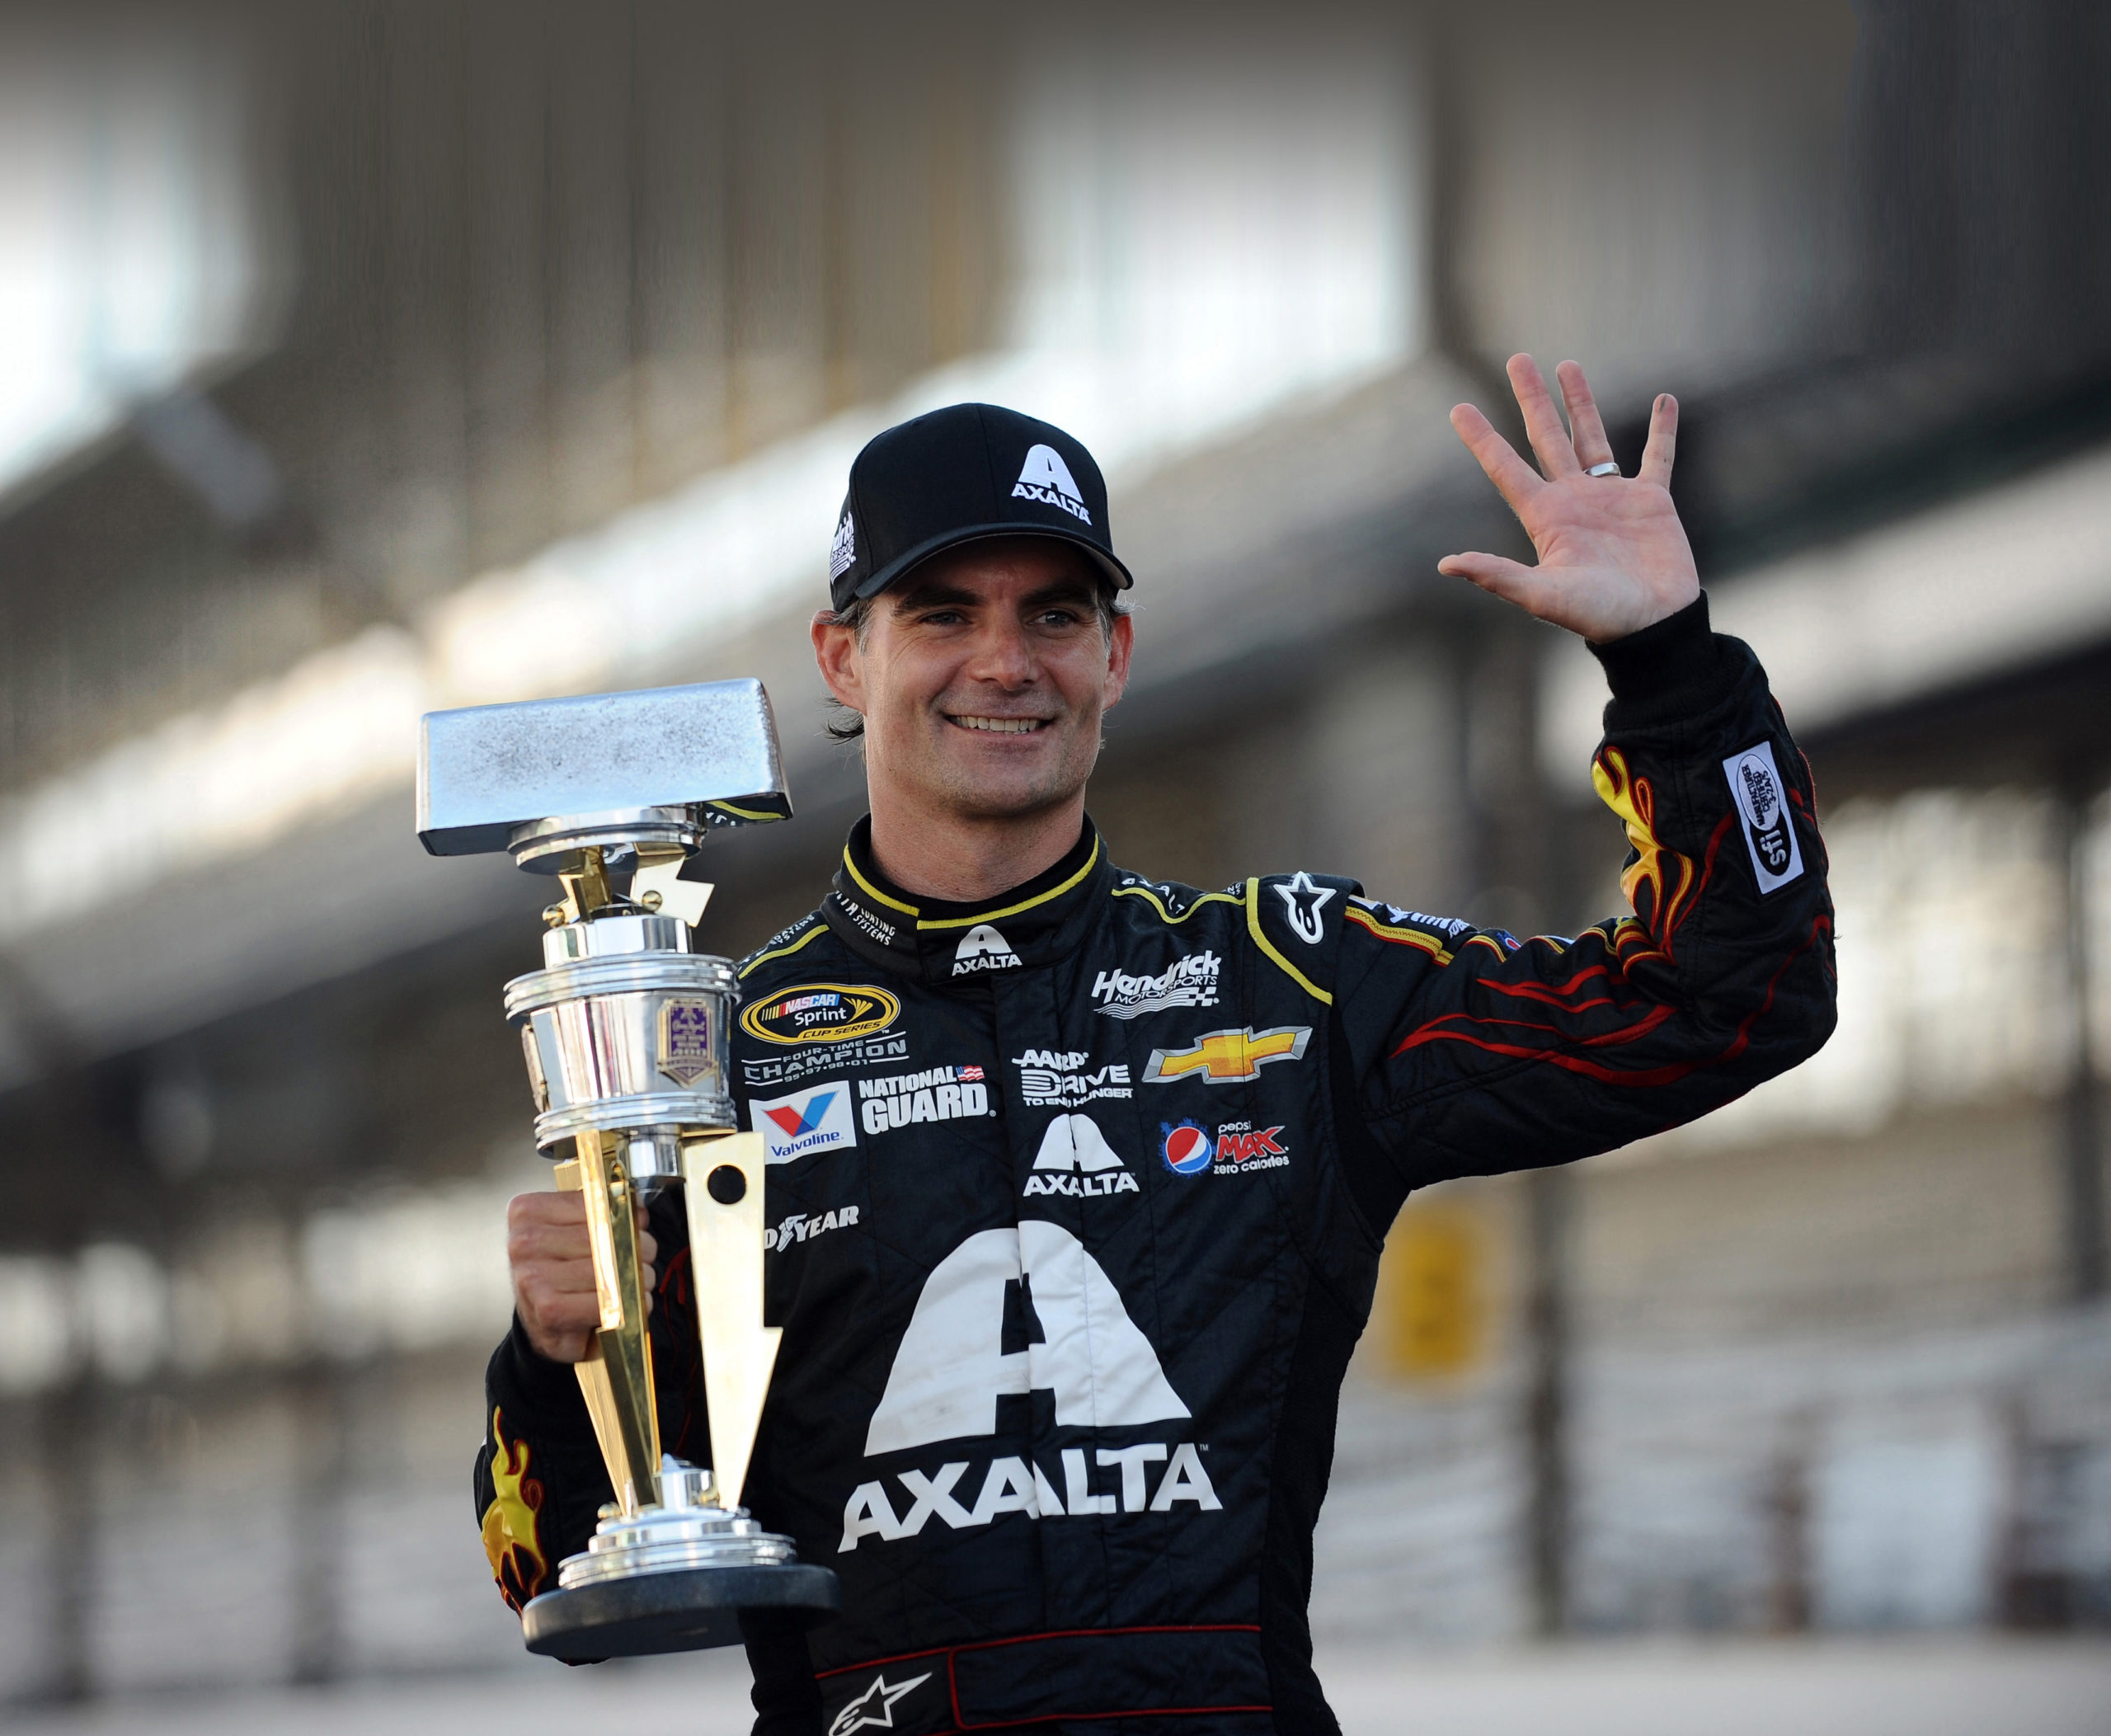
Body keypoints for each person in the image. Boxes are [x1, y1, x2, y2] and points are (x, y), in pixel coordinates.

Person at [477, 360, 1836, 1736]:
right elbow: (545, 1570)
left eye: (1055, 614)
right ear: (845, 655)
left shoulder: (1293, 979)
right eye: (945, 612)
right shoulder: (710, 1062)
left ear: (1116, 654)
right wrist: (554, 1355)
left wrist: (1670, 664)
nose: (1006, 661)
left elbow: (1728, 998)